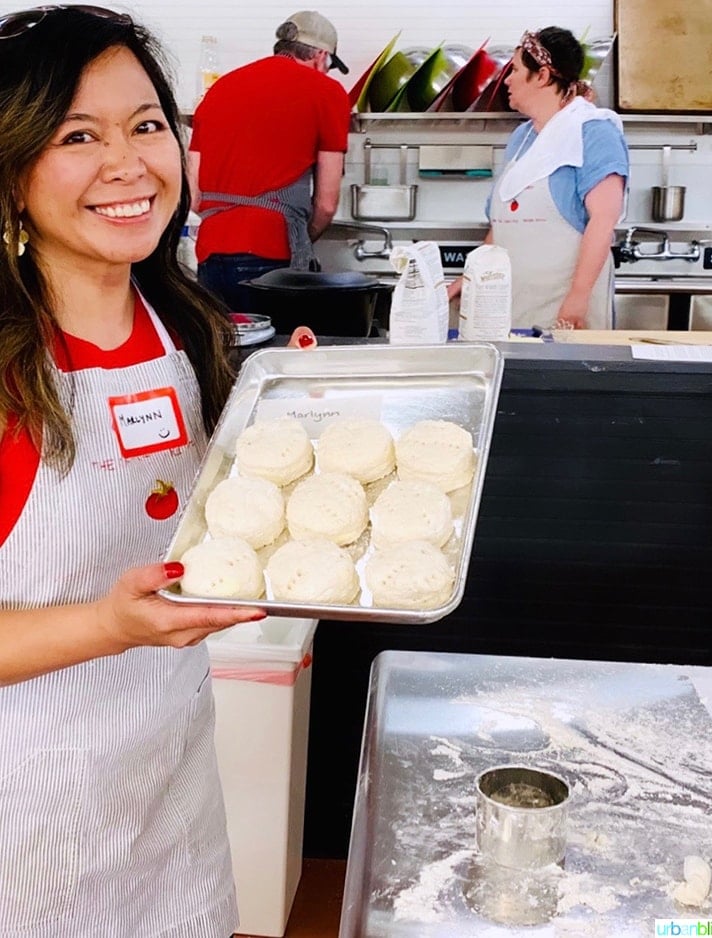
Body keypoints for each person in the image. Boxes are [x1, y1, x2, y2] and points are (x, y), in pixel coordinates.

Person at [0, 8, 313, 937]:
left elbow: (202, 515)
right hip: (25, 830)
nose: (130, 162)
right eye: (77, 136)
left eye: (146, 124)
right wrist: (109, 624)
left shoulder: (188, 329)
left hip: (167, 804)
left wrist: (294, 416)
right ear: (12, 172)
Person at [448, 27, 629, 330]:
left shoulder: (595, 132)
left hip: (565, 311)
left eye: (515, 70)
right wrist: (468, 278)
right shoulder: (522, 137)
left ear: (542, 75)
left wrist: (578, 298)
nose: (506, 79)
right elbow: (502, 227)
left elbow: (603, 220)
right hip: (512, 305)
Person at [188, 10, 351, 315]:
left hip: (210, 255)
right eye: (329, 65)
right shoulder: (328, 93)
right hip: (272, 257)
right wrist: (300, 236)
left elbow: (193, 194)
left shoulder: (219, 90)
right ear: (320, 55)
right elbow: (327, 204)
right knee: (274, 357)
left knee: (223, 357)